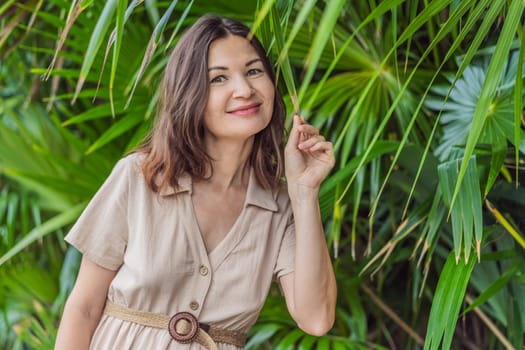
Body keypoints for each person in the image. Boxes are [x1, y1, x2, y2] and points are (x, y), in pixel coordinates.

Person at [55, 14, 336, 350]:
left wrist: (304, 194)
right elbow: (83, 308)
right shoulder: (140, 178)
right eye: (218, 79)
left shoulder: (279, 207)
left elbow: (316, 318)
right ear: (191, 93)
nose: (244, 89)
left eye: (254, 71)